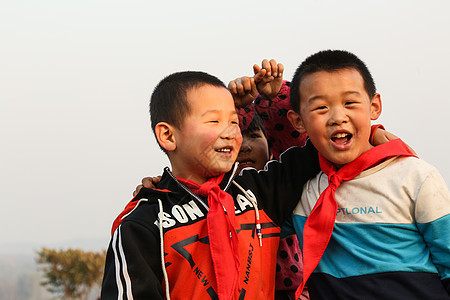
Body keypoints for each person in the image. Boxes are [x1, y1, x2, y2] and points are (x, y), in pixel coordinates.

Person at [101, 70, 323, 299]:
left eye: (234, 122)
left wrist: (279, 95)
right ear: (168, 135)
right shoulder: (144, 223)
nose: (229, 133)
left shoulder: (257, 192)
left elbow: (323, 144)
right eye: (214, 121)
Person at [283, 50, 450, 299]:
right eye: (321, 107)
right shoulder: (304, 193)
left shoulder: (415, 177)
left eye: (350, 103)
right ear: (298, 122)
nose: (338, 117)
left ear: (374, 107)